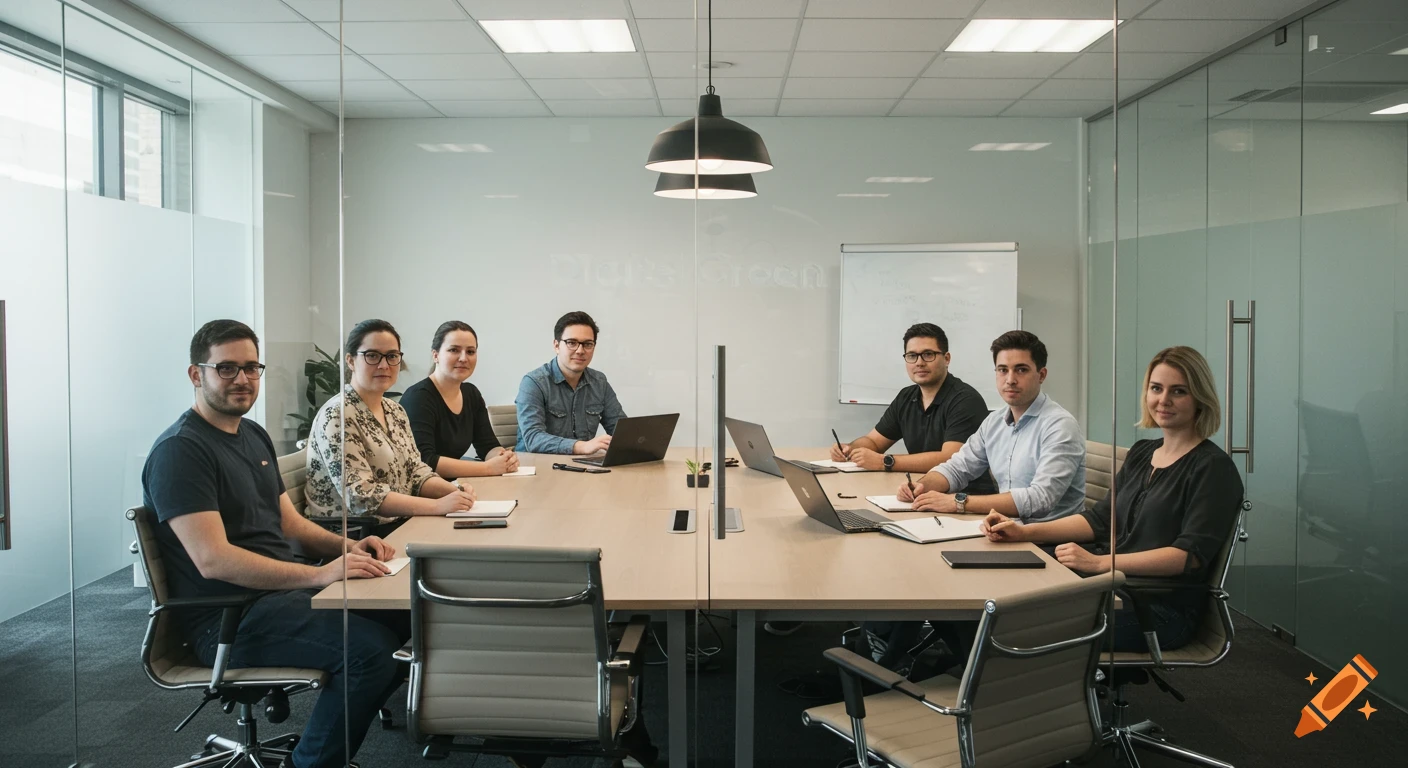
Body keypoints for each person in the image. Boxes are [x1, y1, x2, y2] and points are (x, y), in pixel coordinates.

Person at [142, 319, 404, 768]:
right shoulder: (181, 452)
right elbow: (213, 560)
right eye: (226, 369)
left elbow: (291, 525)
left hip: (280, 595)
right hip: (229, 617)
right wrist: (320, 574)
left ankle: (322, 745)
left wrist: (347, 548)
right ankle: (310, 762)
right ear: (195, 374)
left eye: (251, 367)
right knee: (370, 654)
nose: (242, 379)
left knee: (406, 626)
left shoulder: (252, 434)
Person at [981, 346, 1244, 651]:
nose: (1164, 400)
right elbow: (1100, 520)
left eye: (1179, 391)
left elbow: (1188, 556)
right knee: (992, 597)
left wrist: (1101, 563)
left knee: (1010, 627)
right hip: (1109, 587)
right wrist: (1024, 533)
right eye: (1156, 389)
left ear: (1200, 398)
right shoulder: (1144, 453)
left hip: (1156, 609)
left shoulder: (1212, 467)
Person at [305, 319, 477, 535]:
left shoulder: (395, 410)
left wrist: (456, 492)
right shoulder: (338, 414)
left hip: (397, 524)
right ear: (350, 361)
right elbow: (361, 495)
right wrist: (437, 506)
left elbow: (416, 472)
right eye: (372, 356)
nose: (384, 365)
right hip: (354, 537)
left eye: (392, 356)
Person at [898, 330, 1085, 523]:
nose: (1010, 379)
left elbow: (1040, 499)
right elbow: (958, 467)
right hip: (1003, 530)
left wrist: (959, 502)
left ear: (1042, 375)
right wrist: (923, 486)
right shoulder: (994, 422)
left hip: (1050, 544)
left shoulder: (1060, 426)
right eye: (1003, 370)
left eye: (1021, 370)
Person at [830, 322, 996, 493]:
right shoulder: (906, 397)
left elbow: (950, 458)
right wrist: (849, 449)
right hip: (921, 490)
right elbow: (873, 441)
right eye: (912, 356)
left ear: (946, 359)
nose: (919, 363)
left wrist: (884, 462)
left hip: (965, 498)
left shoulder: (965, 400)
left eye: (928, 354)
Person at [399, 321, 520, 479]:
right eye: (454, 350)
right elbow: (425, 461)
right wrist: (487, 468)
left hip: (455, 484)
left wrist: (503, 457)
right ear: (435, 355)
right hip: (422, 490)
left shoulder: (471, 393)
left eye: (470, 352)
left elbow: (487, 445)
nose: (463, 358)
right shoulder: (418, 397)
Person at [515, 310, 626, 455]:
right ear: (556, 346)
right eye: (571, 343)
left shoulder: (599, 382)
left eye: (587, 344)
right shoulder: (534, 383)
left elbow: (620, 430)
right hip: (537, 468)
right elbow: (533, 439)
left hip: (580, 467)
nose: (580, 350)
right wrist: (582, 447)